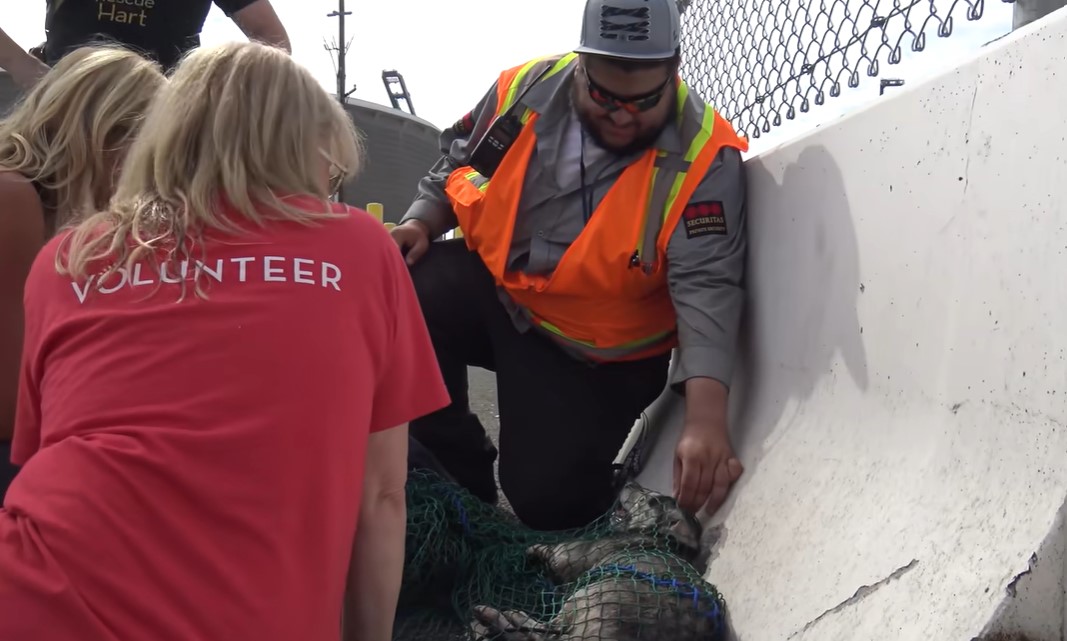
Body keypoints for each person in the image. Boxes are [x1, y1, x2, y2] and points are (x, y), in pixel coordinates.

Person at [0, 40, 448, 641]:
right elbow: (382, 496)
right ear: (304, 151)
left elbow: (41, 449)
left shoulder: (69, 255)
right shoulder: (360, 247)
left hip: (32, 595)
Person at [391, 0, 748, 531]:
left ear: (674, 71)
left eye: (643, 100)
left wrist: (705, 419)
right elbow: (461, 158)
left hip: (592, 359)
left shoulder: (704, 159)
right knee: (405, 286)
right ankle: (457, 480)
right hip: (508, 301)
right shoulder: (525, 92)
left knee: (547, 503)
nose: (621, 114)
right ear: (580, 64)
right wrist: (419, 223)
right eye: (603, 95)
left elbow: (708, 287)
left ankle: (559, 472)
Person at [0, 45, 166, 503]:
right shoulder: (13, 196)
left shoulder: (54, 208)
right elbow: (12, 407)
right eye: (153, 148)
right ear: (106, 135)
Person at [0, 0, 290, 88]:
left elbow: (272, 38)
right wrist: (20, 64)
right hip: (65, 114)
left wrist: (216, 99)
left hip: (160, 126)